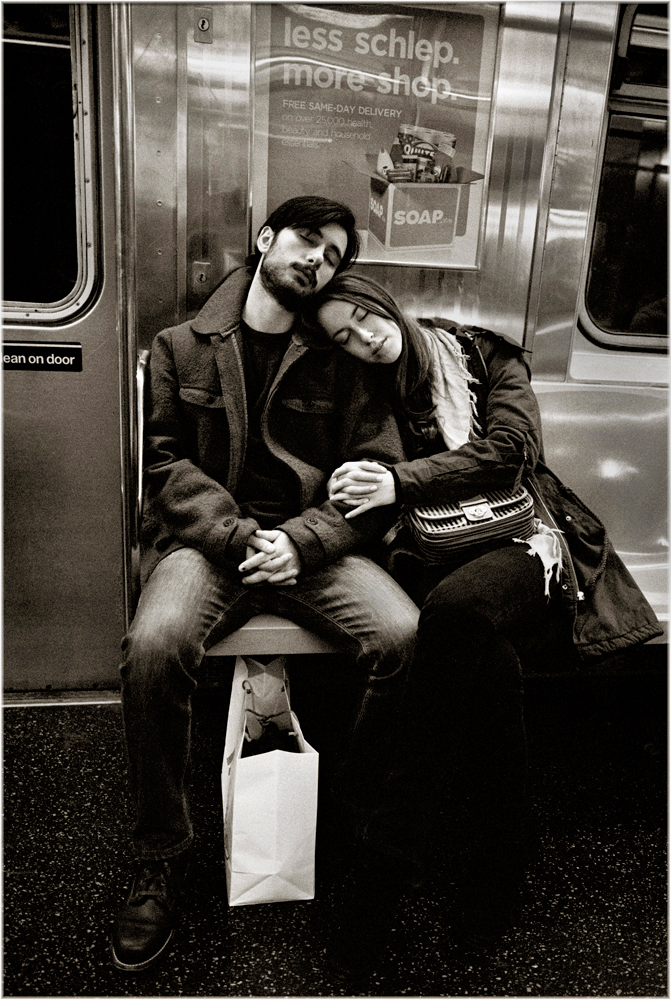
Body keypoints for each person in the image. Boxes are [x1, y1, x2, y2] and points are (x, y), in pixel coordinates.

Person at [309, 272, 663, 980]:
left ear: (384, 302)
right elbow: (353, 473)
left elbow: (512, 448)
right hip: (428, 550)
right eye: (342, 337)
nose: (363, 338)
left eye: (363, 317)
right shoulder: (360, 390)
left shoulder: (481, 355)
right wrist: (360, 483)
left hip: (528, 541)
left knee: (457, 614)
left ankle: (385, 867)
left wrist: (401, 481)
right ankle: (502, 855)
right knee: (485, 661)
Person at [110, 199, 421, 972]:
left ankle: (356, 821)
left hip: (312, 546)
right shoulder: (180, 346)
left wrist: (302, 542)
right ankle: (159, 854)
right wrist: (242, 537)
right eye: (308, 240)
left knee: (404, 636)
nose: (317, 259)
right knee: (154, 646)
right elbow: (163, 466)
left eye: (333, 255)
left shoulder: (340, 358)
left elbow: (374, 470)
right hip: (212, 545)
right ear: (265, 239)